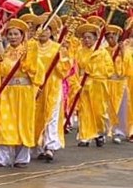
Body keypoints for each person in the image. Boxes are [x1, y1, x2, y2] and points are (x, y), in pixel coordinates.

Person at [0, 18, 38, 168]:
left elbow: (35, 70)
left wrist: (28, 57)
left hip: (24, 93)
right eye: (10, 34)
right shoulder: (4, 53)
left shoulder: (29, 51)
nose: (13, 37)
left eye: (16, 34)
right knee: (4, 123)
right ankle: (2, 157)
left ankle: (21, 158)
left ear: (22, 36)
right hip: (6, 93)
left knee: (23, 124)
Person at [32, 17, 71, 162]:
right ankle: (38, 145)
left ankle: (50, 146)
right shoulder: (31, 47)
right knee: (36, 115)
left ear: (51, 32)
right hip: (35, 86)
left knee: (52, 115)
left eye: (47, 29)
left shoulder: (57, 47)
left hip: (53, 85)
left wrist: (63, 55)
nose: (43, 32)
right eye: (40, 28)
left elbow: (65, 69)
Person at [73, 19, 112, 147]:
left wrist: (95, 70)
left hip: (98, 84)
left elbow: (109, 69)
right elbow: (76, 68)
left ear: (95, 38)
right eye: (85, 38)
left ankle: (100, 133)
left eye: (89, 37)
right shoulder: (80, 52)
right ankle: (85, 136)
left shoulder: (102, 52)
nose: (86, 40)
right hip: (84, 83)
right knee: (84, 110)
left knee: (99, 111)